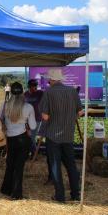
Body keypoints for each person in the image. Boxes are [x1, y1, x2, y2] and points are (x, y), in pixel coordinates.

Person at [39, 68, 83, 203]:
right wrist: (69, 117)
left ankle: (60, 196)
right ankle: (75, 194)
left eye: (48, 79)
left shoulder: (48, 93)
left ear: (51, 79)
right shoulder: (72, 91)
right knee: (71, 165)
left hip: (53, 136)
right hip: (68, 135)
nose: (47, 81)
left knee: (55, 166)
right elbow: (80, 113)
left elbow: (45, 116)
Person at [0, 82, 36, 200]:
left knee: (10, 164)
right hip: (23, 139)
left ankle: (6, 189)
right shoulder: (28, 107)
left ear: (11, 92)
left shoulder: (5, 104)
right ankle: (16, 193)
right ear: (22, 93)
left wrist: (5, 125)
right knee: (19, 166)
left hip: (10, 139)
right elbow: (33, 126)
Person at [24, 79, 43, 156]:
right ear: (29, 86)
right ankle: (32, 152)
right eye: (33, 86)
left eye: (36, 85)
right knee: (28, 137)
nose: (35, 87)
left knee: (32, 136)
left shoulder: (40, 93)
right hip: (27, 119)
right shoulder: (25, 94)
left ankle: (34, 153)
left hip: (37, 119)